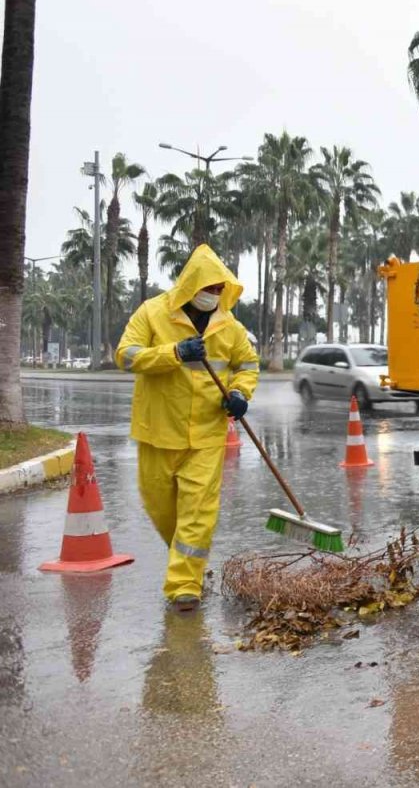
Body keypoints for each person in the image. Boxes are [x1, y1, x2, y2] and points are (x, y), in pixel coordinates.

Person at [115, 244, 259, 612]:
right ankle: (183, 558)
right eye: (209, 287)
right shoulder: (152, 313)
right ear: (191, 284)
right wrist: (174, 353)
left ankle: (185, 587)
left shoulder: (230, 326)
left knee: (197, 513)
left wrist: (239, 394)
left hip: (206, 435)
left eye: (219, 289)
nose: (214, 294)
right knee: (162, 510)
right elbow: (126, 355)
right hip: (157, 432)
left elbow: (247, 365)